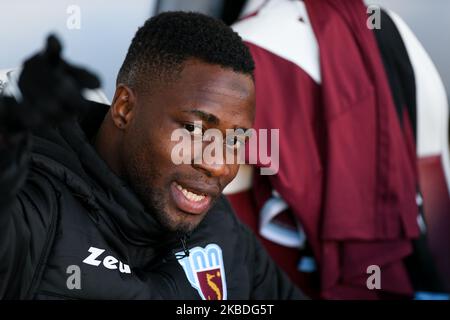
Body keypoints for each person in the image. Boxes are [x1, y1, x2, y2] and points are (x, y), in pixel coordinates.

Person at [0, 11, 304, 300]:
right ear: (125, 109)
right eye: (193, 129)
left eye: (235, 139)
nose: (219, 164)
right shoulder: (36, 209)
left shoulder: (221, 227)